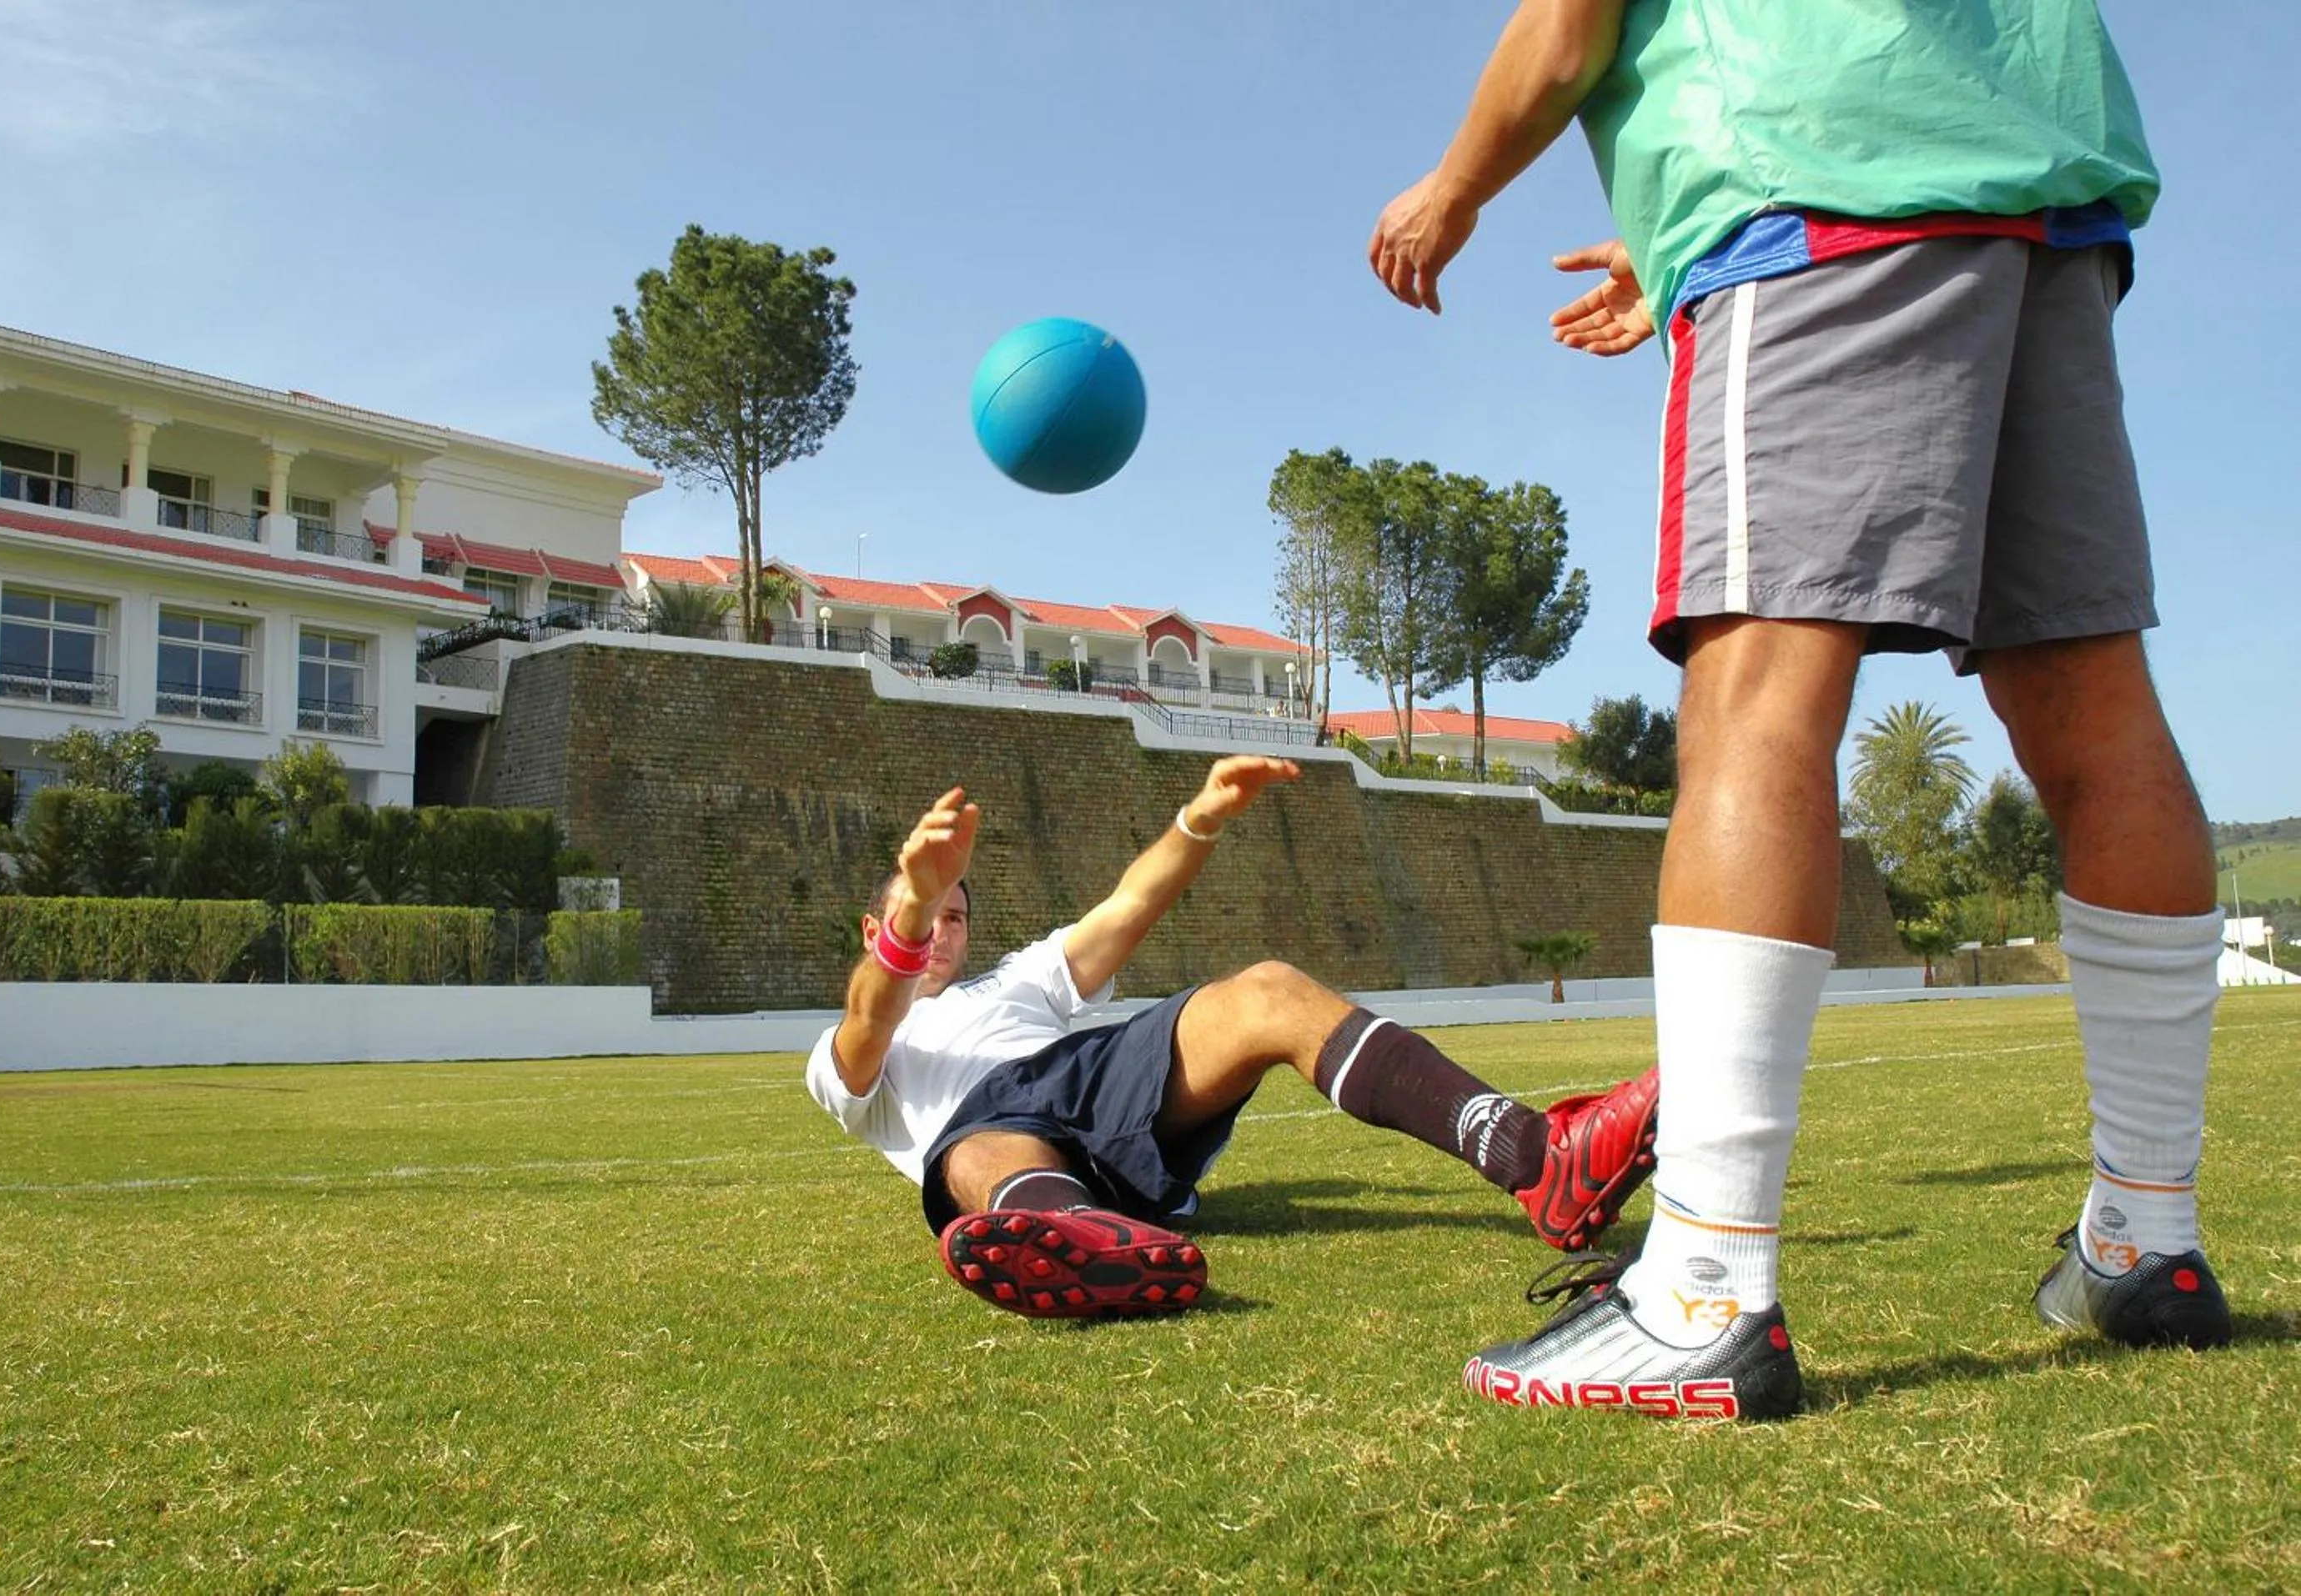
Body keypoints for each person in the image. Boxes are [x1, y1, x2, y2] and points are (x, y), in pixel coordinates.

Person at [1370, 0, 2229, 1419]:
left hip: (1817, 181)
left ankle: (1702, 1289)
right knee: (2099, 711)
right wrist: (1664, 236)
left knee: (1755, 697)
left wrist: (1451, 187)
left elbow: (1570, 26)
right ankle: (2148, 1235)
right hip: (2047, 209)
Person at [806, 756, 1662, 1317]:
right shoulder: (848, 1049)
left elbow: (1128, 907)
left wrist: (1201, 816)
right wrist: (913, 908)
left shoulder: (1017, 980)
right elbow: (871, 1019)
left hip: (1089, 1078)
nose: (941, 930)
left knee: (1268, 990)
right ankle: (1076, 1236)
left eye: (954, 915)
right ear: (874, 928)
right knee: (973, 1152)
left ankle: (1538, 1159)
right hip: (989, 1131)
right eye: (923, 916)